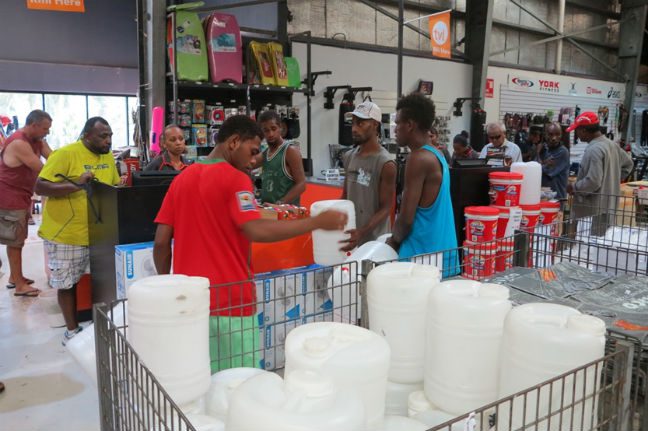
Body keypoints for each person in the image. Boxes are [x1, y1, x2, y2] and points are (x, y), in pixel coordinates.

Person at [152, 115, 347, 373]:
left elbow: (161, 243)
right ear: (233, 142)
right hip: (232, 304)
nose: (255, 160)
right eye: (253, 151)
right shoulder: (236, 179)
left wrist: (169, 284)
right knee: (238, 385)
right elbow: (255, 229)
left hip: (190, 304)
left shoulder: (181, 180)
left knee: (199, 383)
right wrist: (315, 222)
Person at [35, 117, 122, 345]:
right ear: (86, 135)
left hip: (99, 233)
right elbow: (40, 186)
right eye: (103, 136)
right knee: (67, 283)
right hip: (66, 233)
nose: (108, 140)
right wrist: (76, 183)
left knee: (102, 281)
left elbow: (111, 187)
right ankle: (71, 331)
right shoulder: (65, 154)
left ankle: (100, 325)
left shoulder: (107, 157)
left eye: (110, 135)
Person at [386, 93, 458, 273]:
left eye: (398, 124)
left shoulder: (418, 158)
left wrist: (392, 242)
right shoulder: (437, 154)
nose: (395, 130)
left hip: (421, 259)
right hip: (443, 253)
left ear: (409, 125)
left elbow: (406, 218)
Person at [0, 109, 53, 296]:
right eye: (45, 129)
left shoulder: (37, 140)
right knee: (15, 241)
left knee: (18, 238)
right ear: (34, 125)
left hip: (21, 195)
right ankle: (20, 286)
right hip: (8, 196)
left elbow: (53, 158)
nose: (47, 132)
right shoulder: (20, 143)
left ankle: (15, 277)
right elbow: (43, 170)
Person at [340, 101, 396, 251]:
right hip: (351, 238)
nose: (354, 129)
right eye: (353, 124)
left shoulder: (386, 163)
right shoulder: (349, 156)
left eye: (360, 124)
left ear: (375, 125)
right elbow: (345, 196)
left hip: (375, 244)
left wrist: (362, 232)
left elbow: (385, 208)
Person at [566, 112, 634, 235]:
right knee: (603, 245)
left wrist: (574, 187)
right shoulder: (612, 145)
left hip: (593, 212)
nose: (576, 133)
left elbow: (593, 181)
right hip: (609, 206)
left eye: (577, 130)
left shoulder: (594, 150)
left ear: (584, 130)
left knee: (589, 247)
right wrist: (611, 180)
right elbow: (629, 164)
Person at [256, 110, 306, 205]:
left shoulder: (290, 150)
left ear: (280, 128)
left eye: (273, 128)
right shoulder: (265, 153)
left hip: (286, 213)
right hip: (269, 211)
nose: (270, 134)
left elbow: (302, 184)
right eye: (266, 130)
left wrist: (280, 203)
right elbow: (247, 163)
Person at [537, 122, 570, 201]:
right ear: (545, 135)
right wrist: (540, 156)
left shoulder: (562, 152)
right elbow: (535, 168)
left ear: (561, 135)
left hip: (557, 199)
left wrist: (540, 160)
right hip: (543, 197)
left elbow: (543, 170)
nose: (554, 138)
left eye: (557, 134)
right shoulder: (543, 149)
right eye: (551, 134)